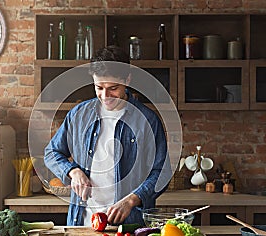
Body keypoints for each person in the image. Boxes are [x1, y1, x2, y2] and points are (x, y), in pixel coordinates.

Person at [44, 45, 172, 226]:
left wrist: (131, 200)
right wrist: (73, 171)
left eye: (113, 88)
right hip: (82, 222)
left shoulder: (147, 120)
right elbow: (52, 153)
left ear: (127, 80)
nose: (105, 96)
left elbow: (161, 173)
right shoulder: (78, 115)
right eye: (99, 87)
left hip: (129, 224)